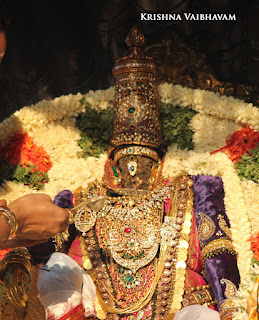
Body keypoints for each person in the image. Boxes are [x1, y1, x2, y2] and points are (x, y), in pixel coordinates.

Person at [1, 27, 240, 320]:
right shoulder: (84, 197)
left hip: (176, 303)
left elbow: (217, 251)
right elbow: (41, 246)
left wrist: (230, 307)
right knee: (59, 268)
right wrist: (17, 253)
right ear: (111, 164)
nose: (134, 169)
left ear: (159, 164)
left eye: (143, 161)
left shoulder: (187, 192)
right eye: (126, 161)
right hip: (93, 308)